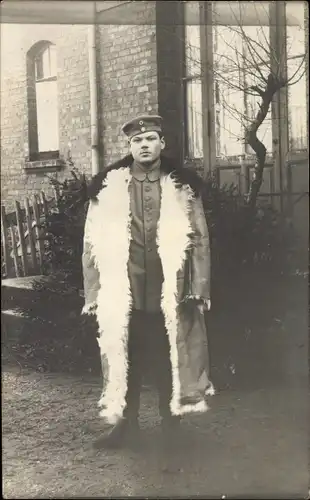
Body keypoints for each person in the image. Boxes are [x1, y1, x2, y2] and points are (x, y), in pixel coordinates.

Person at [82, 114, 215, 449]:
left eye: (151, 139)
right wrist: (94, 292)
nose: (144, 145)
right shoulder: (108, 186)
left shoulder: (182, 184)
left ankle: (172, 425)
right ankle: (126, 426)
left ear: (162, 144)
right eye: (137, 141)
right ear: (129, 146)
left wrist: (199, 288)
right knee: (127, 356)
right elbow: (91, 242)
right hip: (124, 289)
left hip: (171, 287)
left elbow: (199, 238)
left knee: (169, 354)